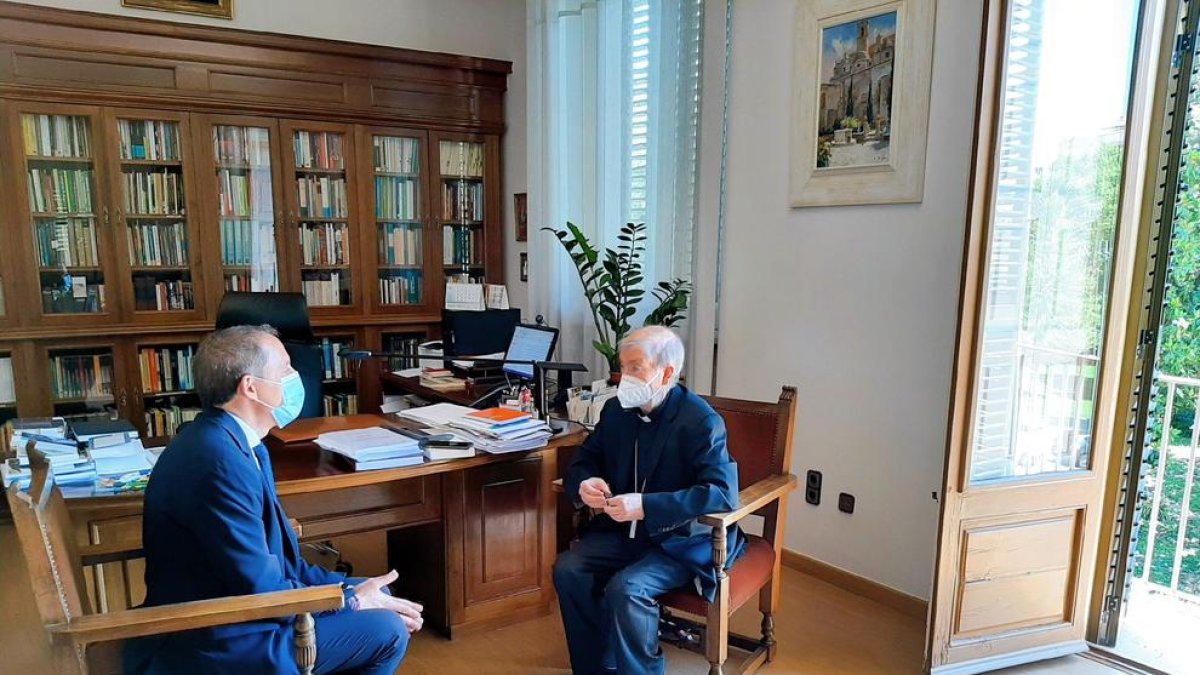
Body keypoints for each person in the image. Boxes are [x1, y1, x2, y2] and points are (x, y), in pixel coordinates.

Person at [124, 325, 423, 675]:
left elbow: (283, 565)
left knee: (381, 597)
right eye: (285, 369)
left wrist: (351, 592)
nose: (295, 377)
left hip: (245, 612)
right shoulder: (216, 460)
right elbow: (263, 589)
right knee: (384, 629)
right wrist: (352, 601)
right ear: (250, 387)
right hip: (217, 636)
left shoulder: (239, 443)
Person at [554, 326, 745, 675]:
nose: (623, 377)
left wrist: (646, 506)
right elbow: (585, 460)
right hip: (620, 532)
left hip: (680, 540)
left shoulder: (701, 421)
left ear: (666, 372)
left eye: (635, 367)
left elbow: (720, 492)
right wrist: (585, 483)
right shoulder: (616, 410)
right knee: (569, 570)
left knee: (626, 589)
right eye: (622, 367)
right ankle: (595, 666)